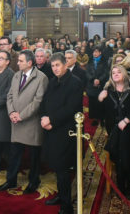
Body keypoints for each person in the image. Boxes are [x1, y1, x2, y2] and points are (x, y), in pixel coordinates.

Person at [0, 50, 48, 193]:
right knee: (14, 155)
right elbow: (10, 96)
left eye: (20, 61)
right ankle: (10, 181)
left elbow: (38, 101)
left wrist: (21, 115)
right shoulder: (17, 75)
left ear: (29, 63)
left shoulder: (41, 78)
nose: (17, 63)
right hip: (16, 121)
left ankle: (34, 181)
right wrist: (11, 112)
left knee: (34, 156)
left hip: (31, 122)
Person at [40, 53, 83, 214]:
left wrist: (51, 120)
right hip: (51, 128)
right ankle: (61, 195)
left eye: (58, 65)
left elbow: (71, 108)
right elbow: (44, 102)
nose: (55, 69)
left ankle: (66, 206)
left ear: (65, 65)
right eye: (52, 66)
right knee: (56, 166)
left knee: (63, 167)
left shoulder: (75, 82)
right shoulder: (53, 81)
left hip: (65, 130)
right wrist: (44, 117)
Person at [98, 64, 130, 200]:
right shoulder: (108, 91)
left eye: (118, 72)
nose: (115, 74)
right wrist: (100, 99)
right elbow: (101, 113)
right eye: (113, 72)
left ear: (124, 74)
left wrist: (127, 120)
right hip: (115, 131)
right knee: (119, 161)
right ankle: (120, 189)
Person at [86, 46, 108, 126]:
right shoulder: (90, 60)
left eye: (96, 52)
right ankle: (95, 118)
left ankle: (102, 118)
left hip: (101, 85)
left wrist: (99, 80)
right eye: (94, 52)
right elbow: (87, 72)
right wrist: (93, 79)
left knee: (101, 102)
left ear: (100, 52)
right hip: (91, 85)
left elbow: (106, 73)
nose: (94, 53)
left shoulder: (104, 61)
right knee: (92, 103)